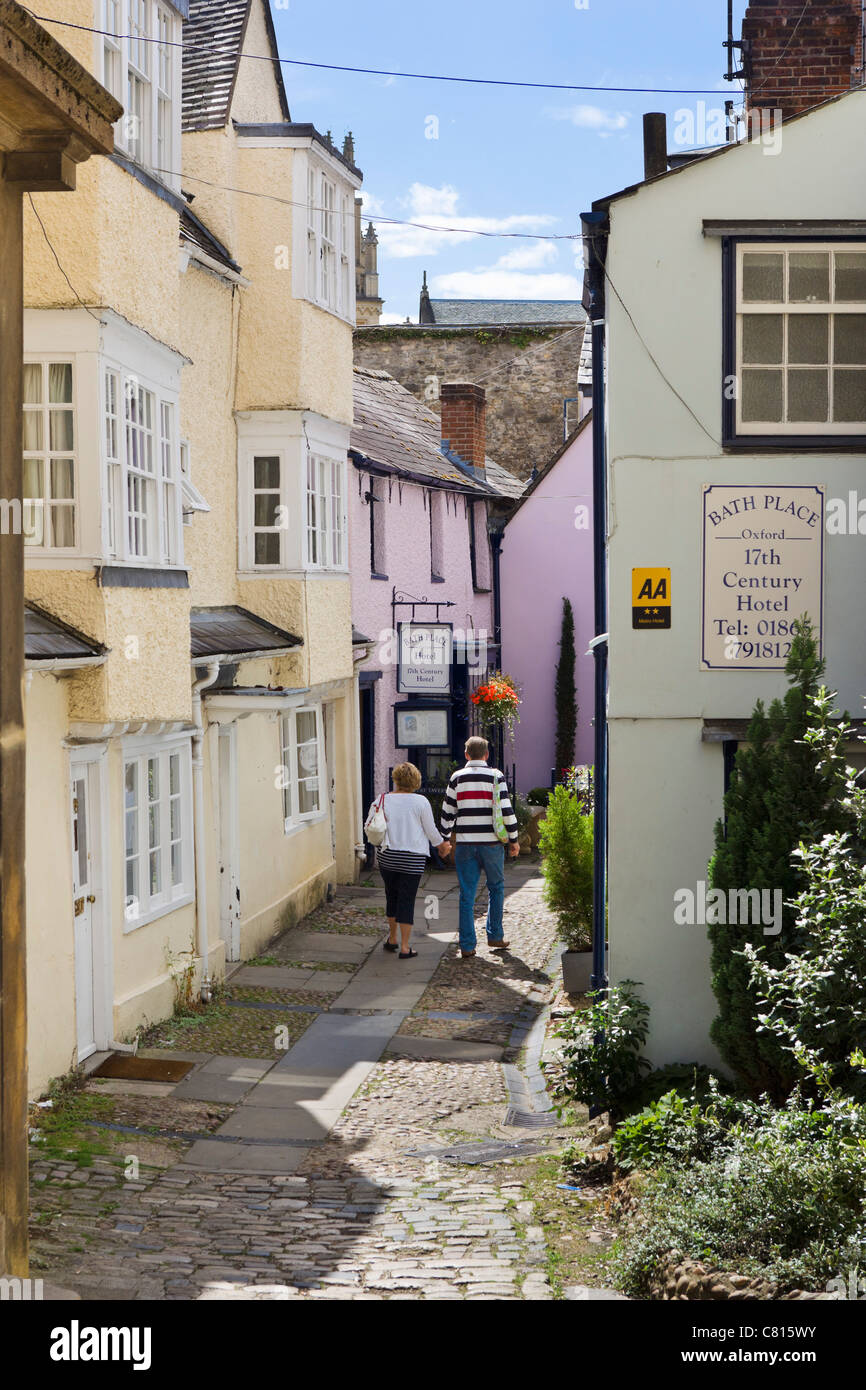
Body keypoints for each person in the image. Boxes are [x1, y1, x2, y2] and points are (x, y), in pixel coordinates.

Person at [439, 736, 519, 960]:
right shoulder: (496, 776)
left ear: (466, 755)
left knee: (467, 894)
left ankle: (466, 945)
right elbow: (506, 810)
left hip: (465, 844)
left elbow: (448, 812)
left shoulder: (457, 778)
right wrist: (513, 839)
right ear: (486, 755)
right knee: (496, 887)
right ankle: (495, 935)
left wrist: (445, 839)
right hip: (492, 844)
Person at [369, 762, 451, 959]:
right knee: (406, 899)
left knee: (392, 895)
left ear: (395, 779)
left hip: (387, 856)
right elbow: (431, 830)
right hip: (412, 859)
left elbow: (370, 825)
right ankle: (405, 947)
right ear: (416, 780)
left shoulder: (381, 799)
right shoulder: (420, 802)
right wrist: (442, 846)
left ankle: (392, 939)